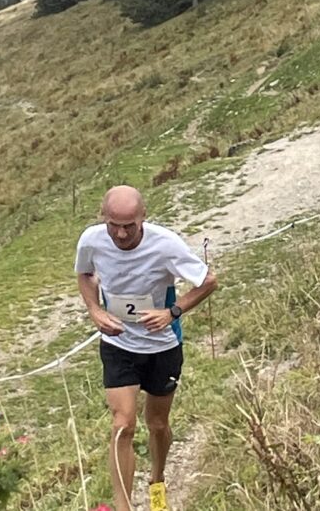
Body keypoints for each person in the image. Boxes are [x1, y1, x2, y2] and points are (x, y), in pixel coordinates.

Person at [75, 185, 218, 511]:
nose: (121, 233)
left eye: (129, 225)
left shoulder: (165, 244)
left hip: (162, 346)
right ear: (104, 218)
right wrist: (95, 311)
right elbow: (85, 274)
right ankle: (123, 505)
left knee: (157, 424)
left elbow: (208, 281)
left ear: (143, 218)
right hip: (118, 343)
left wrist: (172, 312)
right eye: (114, 224)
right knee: (122, 424)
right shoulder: (91, 240)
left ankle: (157, 479)